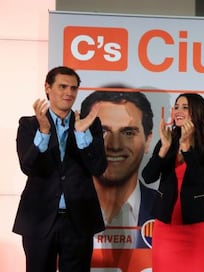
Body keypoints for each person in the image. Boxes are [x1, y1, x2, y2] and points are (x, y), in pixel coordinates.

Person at [12, 66, 107, 272]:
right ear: (48, 88)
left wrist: (82, 135)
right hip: (39, 219)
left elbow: (98, 168)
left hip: (78, 220)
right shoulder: (29, 125)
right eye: (62, 86)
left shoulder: (90, 124)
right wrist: (44, 132)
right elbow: (28, 166)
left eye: (73, 88)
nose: (69, 93)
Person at [142, 93, 204, 272]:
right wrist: (163, 149)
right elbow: (148, 177)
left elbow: (200, 179)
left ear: (197, 113)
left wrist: (186, 148)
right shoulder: (167, 141)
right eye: (176, 106)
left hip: (196, 230)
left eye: (185, 107)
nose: (178, 111)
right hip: (166, 228)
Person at [80, 88, 156, 248]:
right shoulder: (62, 206)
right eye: (102, 131)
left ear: (148, 141)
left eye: (128, 132)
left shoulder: (167, 209)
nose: (114, 145)